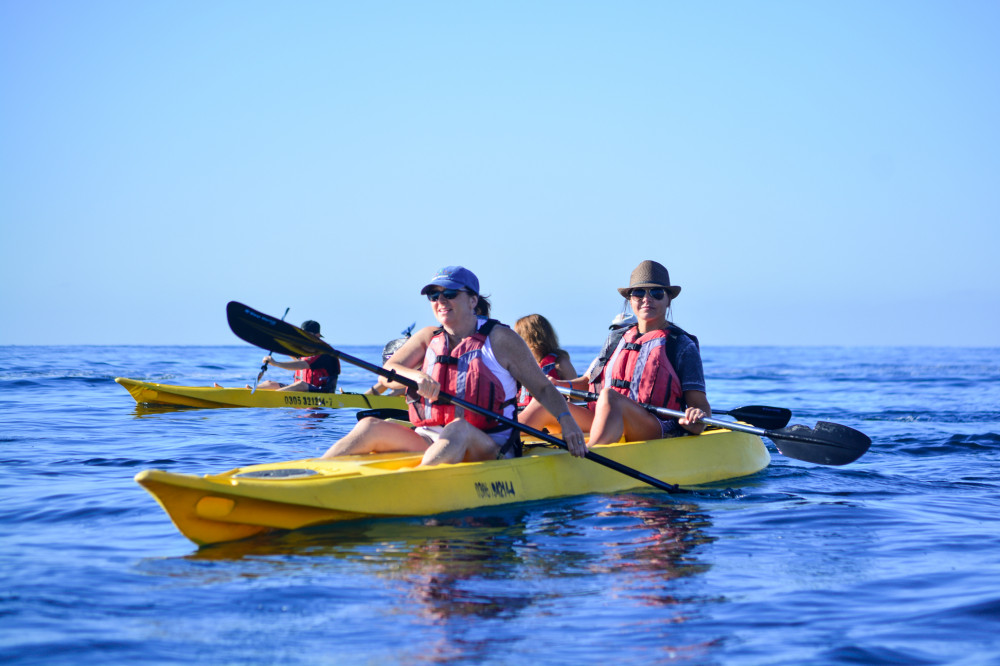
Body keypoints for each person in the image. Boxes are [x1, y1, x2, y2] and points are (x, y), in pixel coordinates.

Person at [320, 266, 587, 465]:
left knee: (457, 428)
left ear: (473, 300)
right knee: (368, 426)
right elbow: (388, 374)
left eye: (449, 294)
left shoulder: (501, 339)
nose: (440, 301)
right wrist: (414, 376)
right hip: (428, 439)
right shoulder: (427, 337)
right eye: (434, 296)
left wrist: (567, 422)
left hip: (489, 445)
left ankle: (418, 489)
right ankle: (313, 476)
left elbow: (542, 388)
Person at [520, 260, 709, 446]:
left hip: (654, 426)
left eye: (657, 293)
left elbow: (701, 407)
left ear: (668, 300)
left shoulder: (681, 345)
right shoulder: (617, 338)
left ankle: (590, 457)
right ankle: (503, 449)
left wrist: (695, 418)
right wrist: (557, 384)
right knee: (545, 401)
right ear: (630, 299)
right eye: (639, 293)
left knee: (610, 397)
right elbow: (588, 382)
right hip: (603, 418)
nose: (646, 299)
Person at [255, 320, 341, 393]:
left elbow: (302, 364)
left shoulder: (324, 353)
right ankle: (252, 391)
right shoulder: (305, 351)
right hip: (304, 390)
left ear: (317, 335)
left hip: (322, 392)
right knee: (269, 384)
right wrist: (277, 343)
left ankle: (271, 397)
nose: (303, 339)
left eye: (307, 335)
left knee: (300, 384)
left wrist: (276, 363)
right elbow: (295, 357)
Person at [513, 314, 577, 408]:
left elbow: (576, 397)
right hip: (523, 411)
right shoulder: (520, 364)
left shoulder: (560, 363)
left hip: (549, 415)